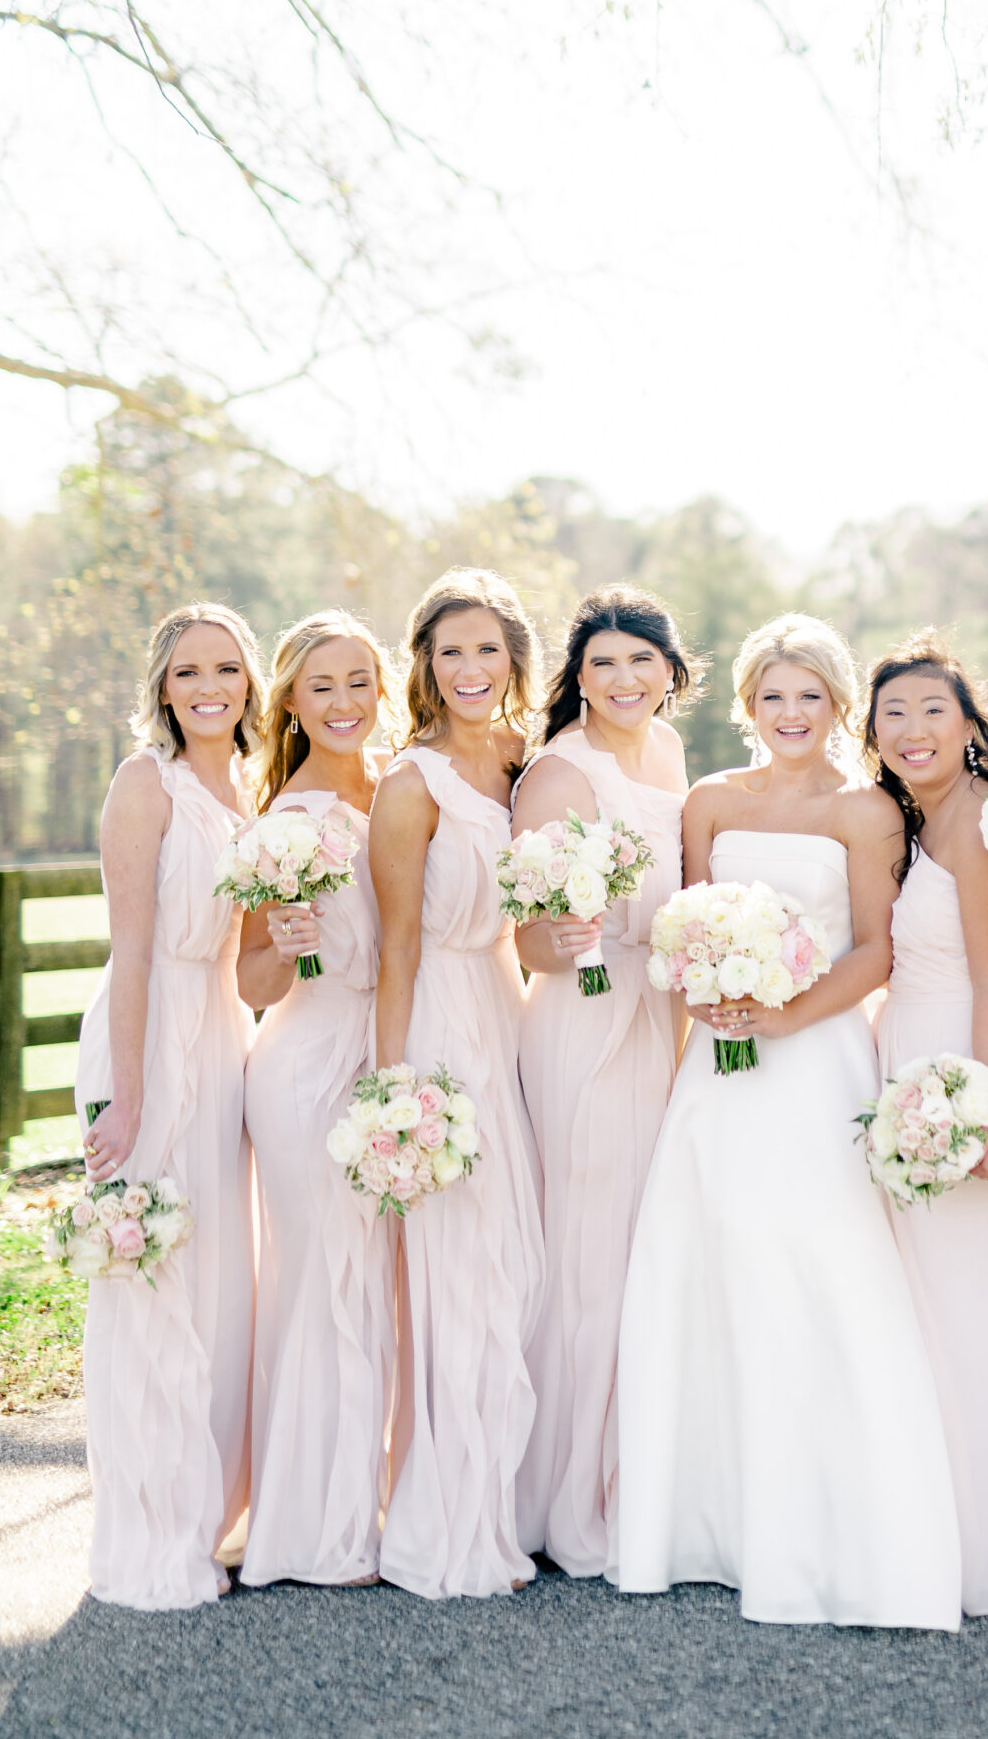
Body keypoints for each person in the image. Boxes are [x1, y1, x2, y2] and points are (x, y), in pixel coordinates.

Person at [609, 613, 961, 1629]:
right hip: (719, 1069)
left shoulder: (865, 810)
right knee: (708, 1256)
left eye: (810, 696)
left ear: (838, 706)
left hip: (814, 1057)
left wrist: (781, 1014)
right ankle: (707, 1523)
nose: (791, 713)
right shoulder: (710, 800)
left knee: (819, 1260)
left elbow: (874, 953)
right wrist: (708, 992)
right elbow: (683, 926)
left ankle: (834, 1527)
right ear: (748, 707)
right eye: (773, 696)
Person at [869, 632, 988, 1618]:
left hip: (972, 1077)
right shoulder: (914, 819)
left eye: (932, 710)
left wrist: (981, 1113)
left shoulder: (986, 823)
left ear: (970, 723)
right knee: (931, 1316)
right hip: (918, 1069)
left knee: (978, 1316)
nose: (911, 729)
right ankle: (937, 1530)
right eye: (893, 712)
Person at [75, 603, 263, 1608]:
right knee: (153, 1282)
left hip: (227, 1039)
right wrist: (130, 1096)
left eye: (226, 668)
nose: (207, 686)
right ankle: (150, 1534)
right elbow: (134, 947)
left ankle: (209, 1511)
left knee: (220, 1282)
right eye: (189, 669)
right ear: (162, 682)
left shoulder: (256, 783)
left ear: (248, 680)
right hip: (145, 1035)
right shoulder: (143, 783)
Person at [369, 569, 546, 1598]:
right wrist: (397, 1090)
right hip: (437, 1016)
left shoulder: (525, 763)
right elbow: (396, 945)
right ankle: (451, 1526)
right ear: (426, 668)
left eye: (487, 650)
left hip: (507, 1011)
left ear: (514, 659)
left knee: (514, 1267)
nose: (471, 669)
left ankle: (512, 1502)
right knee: (459, 1277)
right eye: (451, 652)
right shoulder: (412, 783)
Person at [512, 588, 696, 1575]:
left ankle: (634, 1473)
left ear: (671, 670)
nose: (625, 681)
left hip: (664, 1016)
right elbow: (532, 938)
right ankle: (562, 1498)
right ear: (576, 680)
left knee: (638, 1254)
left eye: (642, 662)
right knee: (585, 1260)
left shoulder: (666, 756)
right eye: (603, 666)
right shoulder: (558, 774)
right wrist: (567, 932)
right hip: (586, 1021)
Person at [238, 611, 396, 1589]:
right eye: (323, 686)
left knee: (369, 1280)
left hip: (383, 1053)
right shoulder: (286, 822)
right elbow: (255, 983)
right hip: (304, 1063)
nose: (344, 703)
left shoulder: (397, 786)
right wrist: (287, 936)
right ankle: (308, 1528)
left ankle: (361, 1505)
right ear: (291, 700)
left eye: (360, 681)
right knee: (317, 1281)